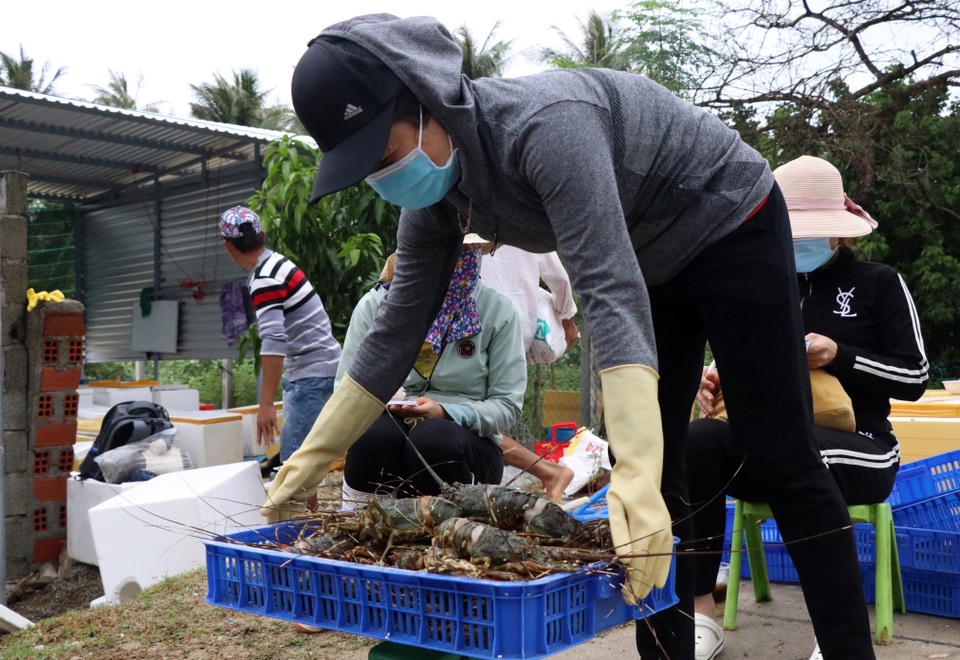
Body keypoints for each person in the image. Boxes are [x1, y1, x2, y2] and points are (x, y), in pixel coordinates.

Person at [263, 15, 876, 659]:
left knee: (777, 450)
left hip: (730, 221)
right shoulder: (435, 203)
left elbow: (607, 290)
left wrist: (629, 464)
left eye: (385, 156)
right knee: (661, 468)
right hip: (648, 256)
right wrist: (313, 453)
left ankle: (847, 652)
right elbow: (393, 332)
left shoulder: (547, 127)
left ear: (425, 100)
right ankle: (668, 654)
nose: (386, 177)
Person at [686, 156, 928, 660]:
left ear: (840, 232)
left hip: (861, 446)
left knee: (801, 451)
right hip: (771, 444)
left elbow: (915, 377)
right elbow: (735, 363)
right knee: (699, 444)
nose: (797, 243)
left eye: (809, 232)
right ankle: (701, 610)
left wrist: (839, 355)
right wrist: (713, 381)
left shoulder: (879, 282)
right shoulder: (762, 288)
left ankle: (834, 628)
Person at [337, 235, 526, 506]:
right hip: (390, 434)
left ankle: (449, 528)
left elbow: (507, 406)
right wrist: (385, 404)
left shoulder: (498, 310)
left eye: (465, 251)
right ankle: (365, 524)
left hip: (465, 445)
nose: (456, 260)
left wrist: (446, 412)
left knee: (433, 437)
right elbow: (344, 392)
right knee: (373, 436)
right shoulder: (377, 306)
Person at [219, 206, 341, 464]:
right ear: (262, 234)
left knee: (293, 464)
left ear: (228, 246)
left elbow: (274, 341)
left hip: (312, 375)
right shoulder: (276, 263)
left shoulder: (264, 277)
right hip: (321, 368)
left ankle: (298, 506)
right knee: (306, 462)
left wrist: (265, 405)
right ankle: (309, 507)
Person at [481, 245, 579, 503]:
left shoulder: (463, 215)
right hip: (519, 329)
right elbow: (557, 275)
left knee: (469, 419)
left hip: (479, 330)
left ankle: (549, 472)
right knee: (481, 419)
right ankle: (547, 473)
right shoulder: (522, 214)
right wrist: (567, 317)